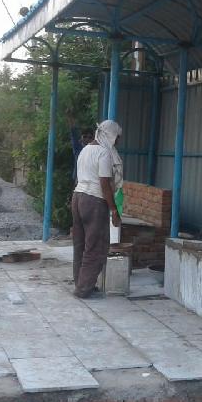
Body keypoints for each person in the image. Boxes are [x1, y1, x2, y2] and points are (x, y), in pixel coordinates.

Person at [71, 120, 122, 298]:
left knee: (80, 245)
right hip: (93, 201)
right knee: (95, 246)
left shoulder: (85, 150)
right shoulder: (103, 152)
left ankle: (81, 283)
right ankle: (83, 289)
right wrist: (114, 210)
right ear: (109, 136)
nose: (117, 141)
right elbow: (104, 183)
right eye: (117, 137)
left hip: (78, 197)